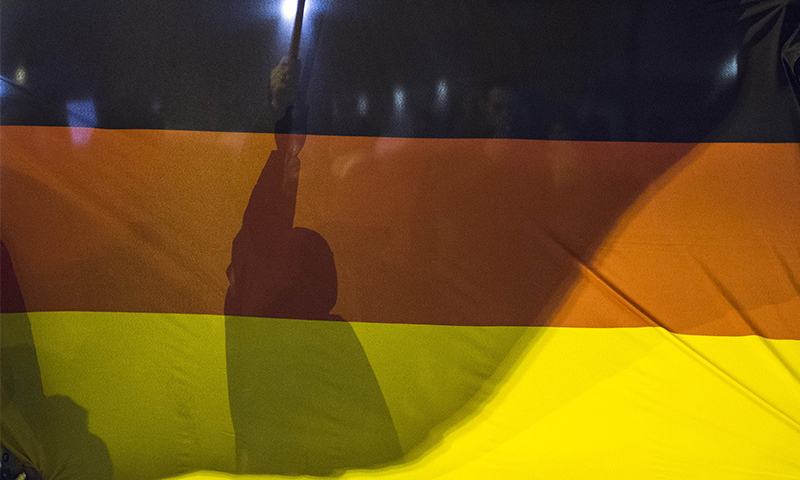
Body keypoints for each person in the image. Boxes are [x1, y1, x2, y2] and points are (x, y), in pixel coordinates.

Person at [224, 59, 403, 476]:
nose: (230, 272)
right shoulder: (330, 340)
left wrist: (283, 121)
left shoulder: (259, 324)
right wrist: (283, 120)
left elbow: (260, 230)